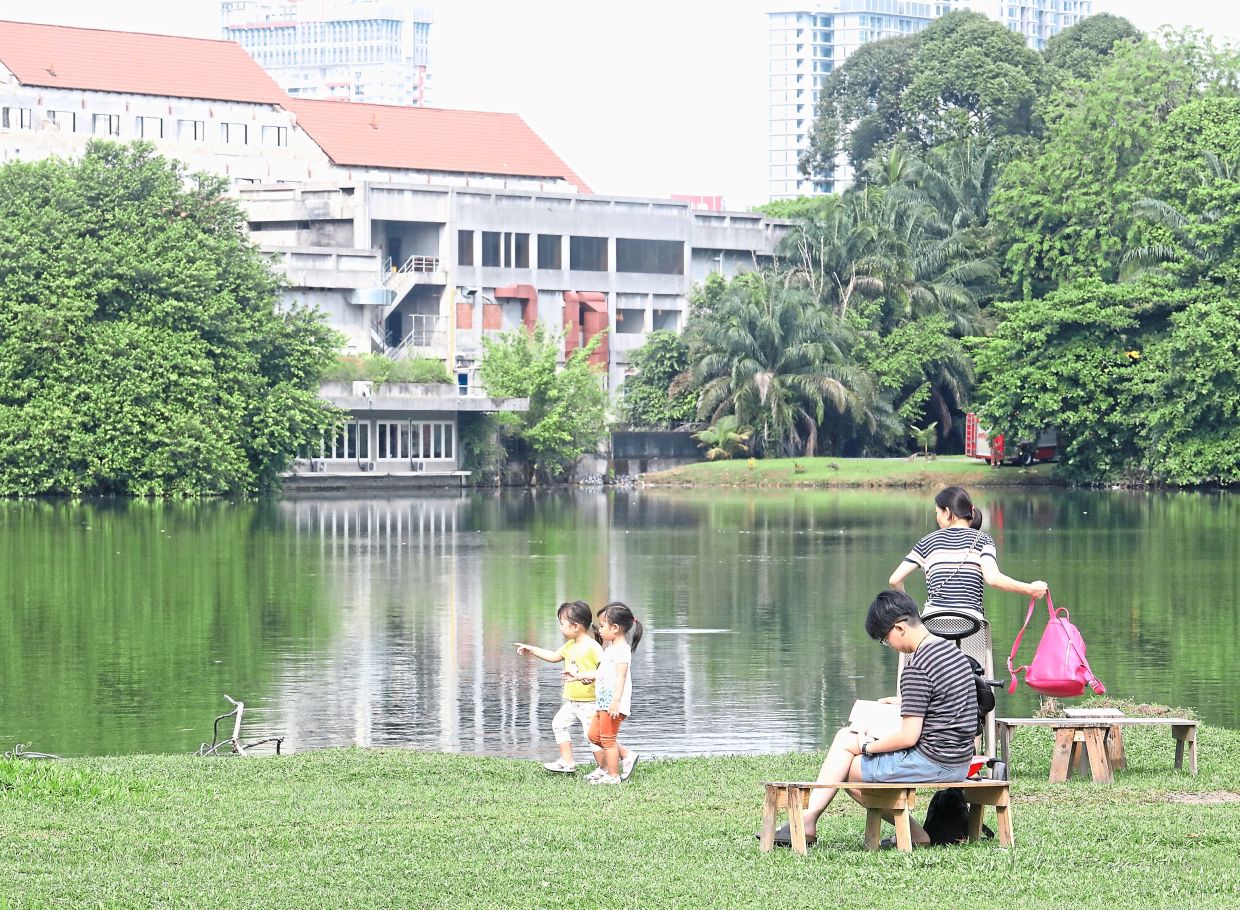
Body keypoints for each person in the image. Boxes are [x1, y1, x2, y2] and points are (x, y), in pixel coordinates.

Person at [790, 591, 978, 848]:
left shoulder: (917, 666)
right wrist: (902, 702)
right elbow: (947, 698)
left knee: (848, 766)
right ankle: (809, 818)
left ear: (899, 628)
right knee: (847, 746)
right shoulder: (952, 653)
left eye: (884, 639)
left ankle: (810, 820)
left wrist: (868, 747)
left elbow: (908, 736)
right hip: (959, 760)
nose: (888, 645)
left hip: (933, 761)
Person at [889, 485, 1048, 615]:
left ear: (948, 512)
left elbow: (895, 580)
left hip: (934, 623)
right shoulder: (983, 540)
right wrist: (1029, 589)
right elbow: (992, 579)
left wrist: (914, 613)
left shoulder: (927, 542)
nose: (936, 517)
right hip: (971, 624)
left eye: (938, 512)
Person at [514, 600, 604, 774]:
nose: (560, 628)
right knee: (558, 724)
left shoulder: (593, 647)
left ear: (576, 626)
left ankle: (604, 768)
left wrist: (587, 677)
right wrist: (531, 649)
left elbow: (605, 671)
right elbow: (554, 656)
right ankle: (567, 762)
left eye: (562, 624)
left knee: (593, 737)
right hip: (572, 702)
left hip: (589, 703)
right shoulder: (570, 645)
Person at [567, 601, 642, 785]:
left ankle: (613, 775)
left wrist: (616, 702)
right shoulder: (610, 650)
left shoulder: (622, 651)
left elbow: (621, 677)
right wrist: (579, 676)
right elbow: (601, 673)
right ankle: (626, 755)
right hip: (603, 702)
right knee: (594, 736)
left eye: (602, 625)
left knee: (608, 739)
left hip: (613, 703)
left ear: (615, 628)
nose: (599, 629)